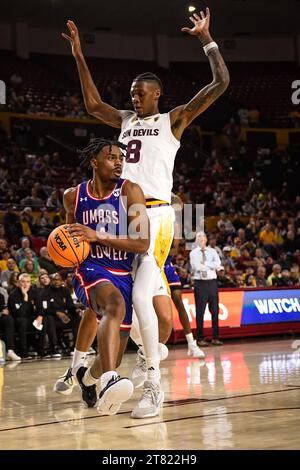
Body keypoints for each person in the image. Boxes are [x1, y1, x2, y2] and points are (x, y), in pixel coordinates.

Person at [62, 8, 229, 418]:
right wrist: (79, 55)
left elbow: (220, 82)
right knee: (141, 308)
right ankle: (97, 372)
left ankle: (153, 385)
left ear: (156, 93)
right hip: (122, 216)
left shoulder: (174, 119)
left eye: (140, 92)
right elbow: (92, 102)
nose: (133, 97)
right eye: (132, 92)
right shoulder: (123, 120)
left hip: (155, 217)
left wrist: (207, 39)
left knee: (138, 296)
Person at [57, 138, 149, 414]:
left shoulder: (130, 191)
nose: (119, 161)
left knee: (114, 355)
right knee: (114, 305)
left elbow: (142, 242)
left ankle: (87, 378)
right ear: (94, 163)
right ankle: (110, 380)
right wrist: (63, 249)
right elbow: (67, 237)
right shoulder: (73, 196)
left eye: (121, 157)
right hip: (90, 269)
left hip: (122, 272)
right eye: (111, 157)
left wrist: (98, 235)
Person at [190, 231, 223, 347]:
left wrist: (206, 264)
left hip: (212, 283)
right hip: (200, 284)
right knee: (200, 312)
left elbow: (218, 263)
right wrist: (210, 265)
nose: (201, 238)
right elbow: (196, 266)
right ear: (196, 239)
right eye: (199, 236)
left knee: (215, 311)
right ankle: (200, 338)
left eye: (203, 236)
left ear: (206, 239)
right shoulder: (193, 253)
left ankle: (215, 337)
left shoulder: (212, 251)